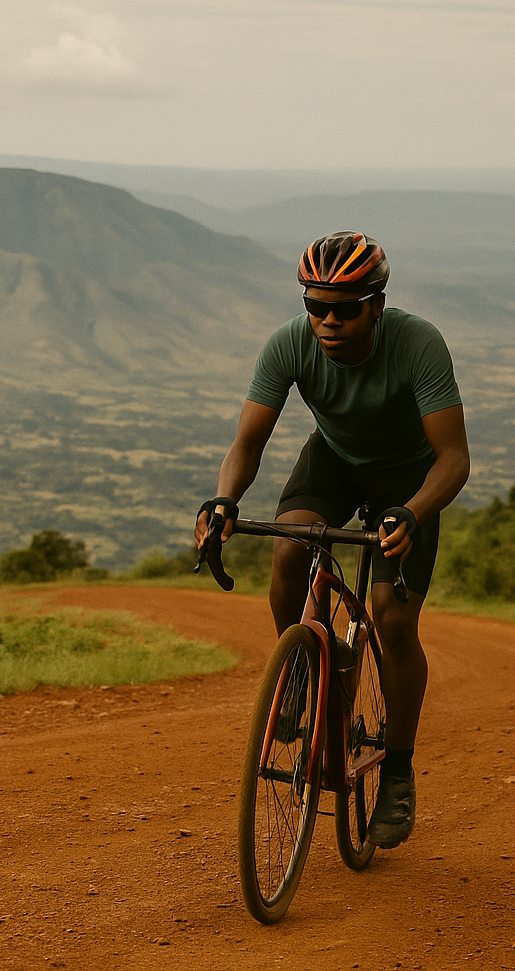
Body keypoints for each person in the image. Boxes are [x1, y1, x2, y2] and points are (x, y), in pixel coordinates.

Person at [195, 231, 470, 848]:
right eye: (315, 305)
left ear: (376, 304)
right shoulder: (290, 344)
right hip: (337, 462)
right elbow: (247, 443)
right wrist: (224, 501)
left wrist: (413, 513)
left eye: (345, 308)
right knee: (288, 548)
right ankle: (299, 673)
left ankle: (397, 771)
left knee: (392, 621)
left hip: (409, 476)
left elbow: (453, 459)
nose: (327, 320)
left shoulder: (417, 344)